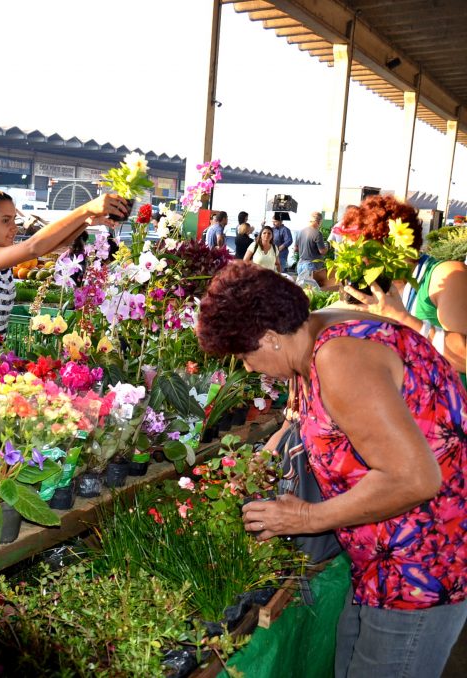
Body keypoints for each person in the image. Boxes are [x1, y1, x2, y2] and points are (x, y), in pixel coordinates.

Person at [197, 262, 467, 677]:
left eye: (244, 355)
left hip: (422, 566)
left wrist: (305, 517)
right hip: (380, 559)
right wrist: (263, 461)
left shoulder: (340, 357)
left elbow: (415, 478)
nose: (247, 368)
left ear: (270, 338)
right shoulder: (316, 333)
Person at [0, 189, 128, 338]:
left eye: (14, 219)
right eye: (5, 220)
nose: (14, 227)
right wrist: (86, 208)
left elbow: (52, 244)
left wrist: (86, 221)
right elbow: (33, 247)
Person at [337, 195, 467, 386]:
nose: (359, 260)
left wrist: (403, 318)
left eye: (364, 250)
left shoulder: (446, 275)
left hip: (450, 408)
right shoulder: (379, 284)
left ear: (392, 245)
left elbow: (463, 357)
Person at [295, 211, 329, 285]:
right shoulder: (317, 233)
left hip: (300, 264)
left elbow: (295, 249)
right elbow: (322, 251)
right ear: (319, 221)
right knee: (310, 290)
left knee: (300, 289)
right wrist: (328, 246)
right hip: (311, 265)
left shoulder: (300, 232)